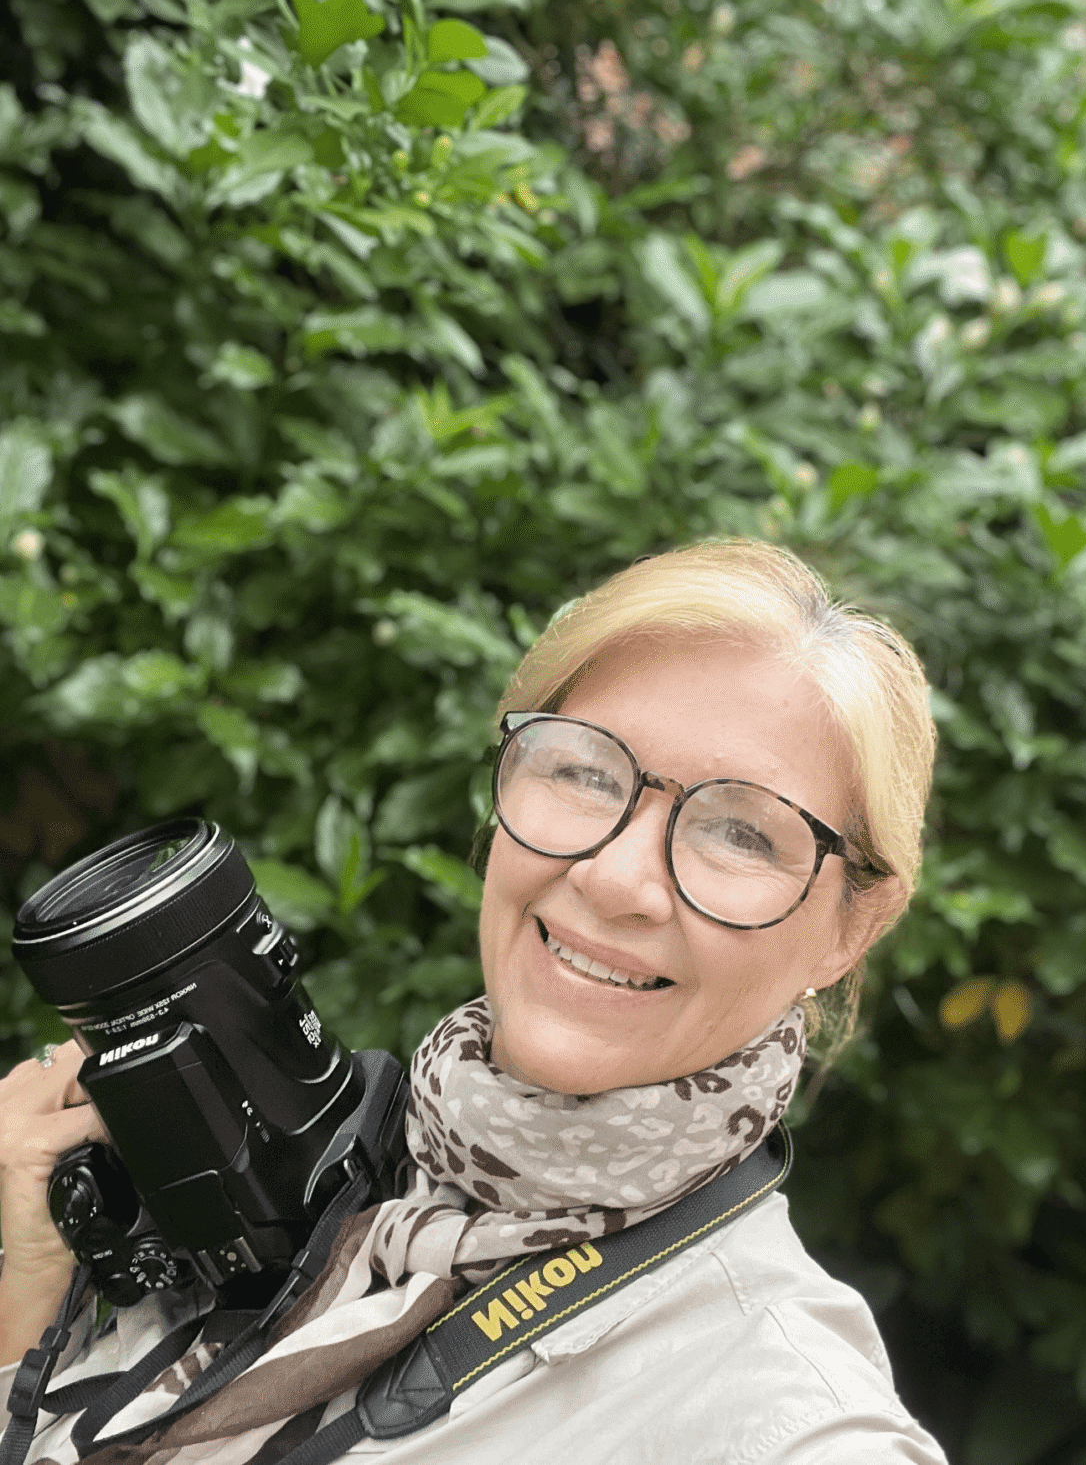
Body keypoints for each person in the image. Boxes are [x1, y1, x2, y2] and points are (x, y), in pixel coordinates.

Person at [0, 540, 945, 1464]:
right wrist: (27, 1306)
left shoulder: (794, 1426)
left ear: (851, 930)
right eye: (585, 771)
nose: (617, 878)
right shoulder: (326, 1189)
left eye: (739, 832)